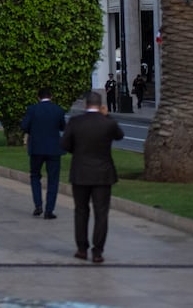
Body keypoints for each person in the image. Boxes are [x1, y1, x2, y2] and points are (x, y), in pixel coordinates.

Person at [61, 89, 124, 264]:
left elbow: (64, 144)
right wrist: (108, 116)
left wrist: (79, 152)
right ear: (101, 105)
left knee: (81, 211)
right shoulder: (107, 123)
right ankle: (97, 251)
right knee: (101, 213)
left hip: (80, 172)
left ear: (85, 104)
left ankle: (82, 249)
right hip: (103, 173)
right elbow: (119, 135)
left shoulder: (76, 122)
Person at [20, 85, 66, 219]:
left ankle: (38, 204)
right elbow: (63, 126)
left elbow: (24, 126)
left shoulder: (32, 109)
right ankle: (49, 210)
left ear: (38, 97)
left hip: (36, 148)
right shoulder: (58, 110)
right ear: (51, 97)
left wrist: (33, 132)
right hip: (53, 148)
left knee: (35, 176)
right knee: (53, 179)